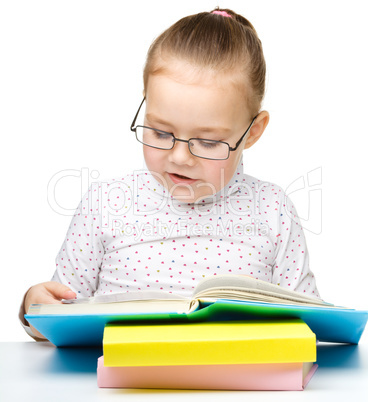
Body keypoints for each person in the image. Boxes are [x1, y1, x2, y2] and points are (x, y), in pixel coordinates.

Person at [20, 8, 320, 340]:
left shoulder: (272, 209)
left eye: (207, 142)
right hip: (120, 385)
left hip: (234, 386)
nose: (179, 157)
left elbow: (309, 323)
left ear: (252, 131)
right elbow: (54, 319)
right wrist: (33, 308)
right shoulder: (105, 204)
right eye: (161, 133)